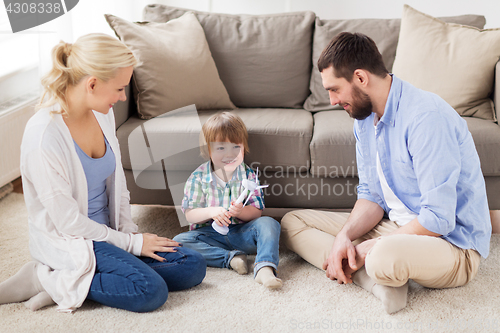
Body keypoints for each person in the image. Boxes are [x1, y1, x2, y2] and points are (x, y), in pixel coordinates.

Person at [281, 32, 491, 313]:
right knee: (291, 222)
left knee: (383, 257)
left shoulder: (425, 119)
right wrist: (345, 236)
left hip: (451, 244)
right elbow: (372, 196)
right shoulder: (364, 119)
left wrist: (374, 246)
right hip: (398, 225)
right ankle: (378, 283)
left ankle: (372, 266)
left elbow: (439, 218)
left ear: (360, 77)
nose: (331, 100)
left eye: (334, 89)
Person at [0, 33, 206, 313]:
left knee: (192, 267)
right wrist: (132, 244)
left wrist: (130, 235)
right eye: (120, 89)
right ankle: (44, 279)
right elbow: (69, 223)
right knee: (150, 291)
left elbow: (118, 185)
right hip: (74, 240)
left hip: (108, 234)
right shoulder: (44, 136)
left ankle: (71, 282)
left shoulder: (102, 113)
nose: (123, 98)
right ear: (92, 84)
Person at [173, 112, 282, 289]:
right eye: (221, 148)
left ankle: (265, 267)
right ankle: (231, 258)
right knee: (179, 241)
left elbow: (257, 212)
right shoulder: (198, 178)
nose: (229, 154)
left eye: (235, 147)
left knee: (269, 224)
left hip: (242, 232)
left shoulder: (248, 175)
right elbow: (190, 215)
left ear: (244, 148)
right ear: (208, 150)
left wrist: (241, 212)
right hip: (211, 235)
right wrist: (211, 211)